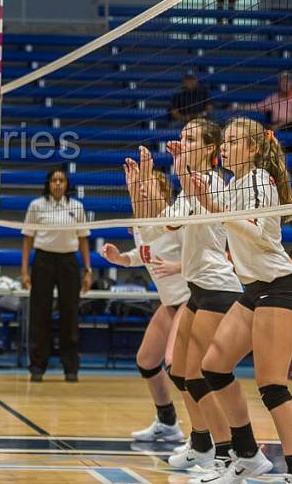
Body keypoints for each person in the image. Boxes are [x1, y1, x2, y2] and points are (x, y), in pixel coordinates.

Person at [191, 117, 292, 484]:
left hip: (277, 286)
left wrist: (218, 209)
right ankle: (248, 457)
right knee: (213, 366)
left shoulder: (259, 179)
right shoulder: (234, 184)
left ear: (253, 149)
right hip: (254, 289)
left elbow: (259, 233)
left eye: (232, 141)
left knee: (273, 386)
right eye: (223, 141)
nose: (224, 147)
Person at [146, 120, 240, 473]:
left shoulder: (212, 185)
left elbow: (172, 223)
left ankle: (225, 452)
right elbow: (162, 223)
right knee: (181, 373)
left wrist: (181, 174)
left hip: (218, 288)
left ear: (210, 148)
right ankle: (200, 443)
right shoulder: (188, 189)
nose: (181, 141)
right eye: (182, 136)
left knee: (201, 376)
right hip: (199, 290)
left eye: (190, 138)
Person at [102, 167, 188, 443]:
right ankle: (168, 423)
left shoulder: (176, 220)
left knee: (182, 369)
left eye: (147, 183)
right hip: (170, 303)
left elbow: (209, 256)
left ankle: (207, 434)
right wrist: (121, 259)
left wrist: (179, 266)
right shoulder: (142, 224)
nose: (140, 188)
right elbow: (144, 255)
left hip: (192, 299)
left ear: (163, 192)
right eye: (138, 185)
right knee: (147, 361)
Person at [19, 169, 91, 383]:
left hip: (69, 261)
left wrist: (87, 270)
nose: (58, 184)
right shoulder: (36, 206)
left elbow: (84, 240)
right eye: (54, 180)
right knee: (40, 314)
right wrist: (24, 270)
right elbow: (27, 240)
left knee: (70, 314)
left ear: (67, 184)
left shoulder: (77, 207)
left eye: (62, 180)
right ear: (48, 183)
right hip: (43, 261)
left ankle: (70, 368)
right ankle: (37, 367)